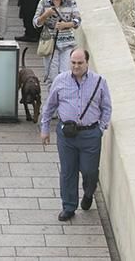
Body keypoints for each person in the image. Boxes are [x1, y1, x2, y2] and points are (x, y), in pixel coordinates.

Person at [40, 49, 112, 221]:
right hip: (66, 135)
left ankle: (89, 192)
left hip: (90, 134)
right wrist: (45, 128)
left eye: (80, 63)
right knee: (68, 171)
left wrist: (100, 129)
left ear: (87, 63)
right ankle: (69, 206)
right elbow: (49, 106)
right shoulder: (60, 81)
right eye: (73, 62)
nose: (76, 66)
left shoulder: (99, 82)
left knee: (89, 171)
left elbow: (106, 107)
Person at [33, 0, 81, 84]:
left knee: (66, 74)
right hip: (50, 43)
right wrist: (45, 15)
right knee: (52, 76)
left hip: (66, 42)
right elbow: (35, 23)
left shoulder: (70, 2)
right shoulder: (44, 2)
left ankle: (63, 99)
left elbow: (78, 20)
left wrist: (66, 25)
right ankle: (53, 99)